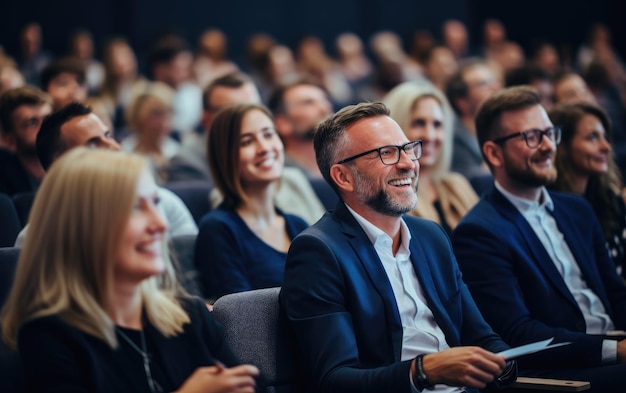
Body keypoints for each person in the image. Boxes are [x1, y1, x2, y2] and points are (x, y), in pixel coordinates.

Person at [280, 101, 516, 393]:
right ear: (343, 176)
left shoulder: (431, 236)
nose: (408, 163)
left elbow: (481, 337)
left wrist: (505, 363)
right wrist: (423, 371)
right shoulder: (318, 252)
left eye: (408, 148)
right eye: (387, 153)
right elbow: (334, 379)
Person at [1, 147, 259, 392]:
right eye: (136, 208)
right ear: (84, 227)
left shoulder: (189, 316)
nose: (160, 223)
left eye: (155, 203)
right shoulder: (49, 336)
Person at [451, 86, 626, 391]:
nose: (549, 147)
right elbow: (521, 335)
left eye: (550, 133)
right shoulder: (479, 232)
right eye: (532, 137)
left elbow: (615, 293)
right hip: (565, 373)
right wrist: (616, 350)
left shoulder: (576, 208)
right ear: (494, 153)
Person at [15, 102, 196, 246]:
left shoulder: (164, 203)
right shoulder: (36, 239)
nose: (115, 147)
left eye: (108, 136)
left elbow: (190, 283)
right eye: (93, 143)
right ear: (61, 166)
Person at [166, 71, 326, 225]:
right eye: (233, 110)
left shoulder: (291, 173)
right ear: (207, 119)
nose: (249, 117)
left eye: (253, 107)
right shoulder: (188, 163)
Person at [194, 103, 308, 300]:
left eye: (268, 134)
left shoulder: (298, 225)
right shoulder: (218, 230)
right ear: (225, 157)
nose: (264, 148)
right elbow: (243, 318)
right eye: (246, 142)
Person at [383, 81, 478, 234]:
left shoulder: (457, 185)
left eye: (437, 124)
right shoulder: (389, 197)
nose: (430, 135)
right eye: (418, 123)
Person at [549, 102, 626, 279]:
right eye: (592, 137)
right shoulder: (549, 209)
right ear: (562, 147)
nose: (606, 147)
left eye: (605, 137)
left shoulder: (610, 200)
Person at [446, 59, 501, 183]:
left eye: (494, 81)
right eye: (483, 84)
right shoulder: (453, 139)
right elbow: (472, 183)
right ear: (462, 102)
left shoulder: (500, 130)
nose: (495, 88)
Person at [267, 78, 334, 177]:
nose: (324, 108)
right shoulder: (280, 174)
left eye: (324, 100)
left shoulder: (344, 161)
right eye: (308, 103)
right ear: (283, 123)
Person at [122, 82, 180, 185]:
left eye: (168, 113)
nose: (164, 122)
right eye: (157, 114)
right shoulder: (125, 152)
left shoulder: (177, 152)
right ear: (138, 116)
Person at [0, 86, 52, 195]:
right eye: (32, 122)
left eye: (48, 118)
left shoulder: (70, 166)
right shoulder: (4, 186)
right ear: (9, 140)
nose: (45, 126)